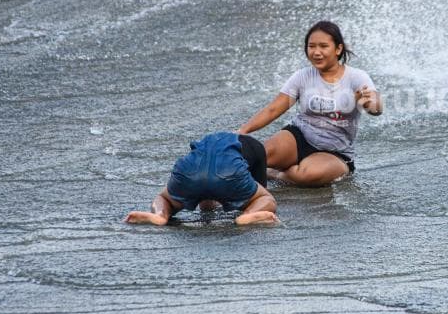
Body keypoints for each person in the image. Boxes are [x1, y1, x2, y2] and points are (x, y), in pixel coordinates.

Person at [238, 21, 382, 187]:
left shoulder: (356, 77)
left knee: (307, 175)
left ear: (338, 49)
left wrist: (368, 103)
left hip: (335, 152)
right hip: (299, 136)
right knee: (258, 157)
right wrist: (243, 130)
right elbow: (273, 109)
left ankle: (274, 173)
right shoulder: (302, 76)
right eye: (311, 46)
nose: (316, 52)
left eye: (323, 46)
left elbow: (376, 107)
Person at [125, 132, 278, 226]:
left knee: (163, 197)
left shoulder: (209, 142)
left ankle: (160, 215)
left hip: (190, 170)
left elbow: (206, 202)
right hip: (229, 171)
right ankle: (247, 216)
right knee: (266, 199)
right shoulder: (257, 147)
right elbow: (260, 192)